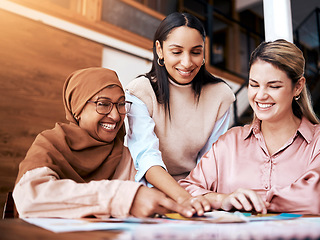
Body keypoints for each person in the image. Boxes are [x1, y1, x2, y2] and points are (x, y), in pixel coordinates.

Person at [179, 39, 320, 215]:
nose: (260, 95)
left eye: (273, 86)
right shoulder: (230, 141)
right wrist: (223, 199)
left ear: (298, 87)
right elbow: (185, 190)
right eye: (254, 85)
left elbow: (314, 201)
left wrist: (249, 201)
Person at [13, 67, 193, 219]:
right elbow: (28, 197)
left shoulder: (125, 156)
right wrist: (119, 196)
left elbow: (155, 200)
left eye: (121, 104)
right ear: (78, 108)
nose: (115, 116)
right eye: (103, 104)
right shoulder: (51, 144)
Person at [125, 12, 235, 215]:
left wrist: (196, 196)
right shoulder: (140, 91)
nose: (186, 63)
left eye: (196, 52)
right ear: (160, 49)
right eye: (176, 52)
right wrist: (183, 198)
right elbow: (146, 157)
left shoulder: (220, 95)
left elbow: (210, 161)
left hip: (195, 190)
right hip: (148, 190)